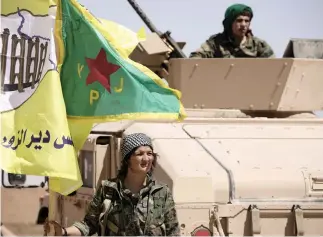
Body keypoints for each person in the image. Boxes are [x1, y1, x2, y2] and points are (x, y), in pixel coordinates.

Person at [44, 133, 180, 236]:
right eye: (139, 154)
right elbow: (89, 224)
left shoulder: (161, 192)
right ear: (127, 160)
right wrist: (63, 232)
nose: (146, 159)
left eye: (149, 153)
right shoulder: (108, 190)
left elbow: (173, 231)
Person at [189, 3, 275, 58]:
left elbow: (274, 67)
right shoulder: (215, 43)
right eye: (239, 20)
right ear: (230, 23)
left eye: (247, 21)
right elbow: (196, 58)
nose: (243, 25)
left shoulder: (258, 45)